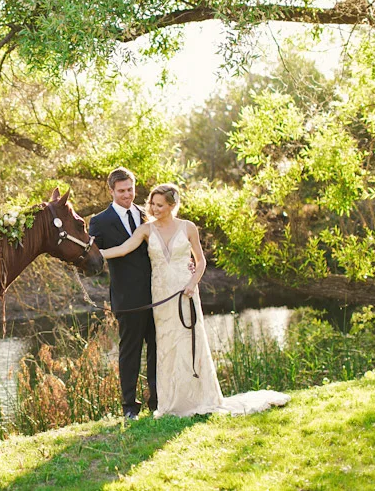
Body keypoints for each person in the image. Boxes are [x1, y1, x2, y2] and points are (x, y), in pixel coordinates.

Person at [100, 183, 290, 417]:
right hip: (161, 294)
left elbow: (200, 262)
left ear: (172, 205)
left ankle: (197, 397)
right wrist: (92, 252)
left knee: (189, 341)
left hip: (185, 292)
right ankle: (170, 400)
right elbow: (122, 249)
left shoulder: (188, 227)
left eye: (160, 205)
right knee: (166, 346)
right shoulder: (146, 230)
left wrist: (192, 283)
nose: (154, 209)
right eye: (152, 204)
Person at [89, 167, 157, 421]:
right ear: (111, 191)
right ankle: (129, 406)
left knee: (157, 349)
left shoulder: (147, 214)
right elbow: (91, 259)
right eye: (121, 191)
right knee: (130, 352)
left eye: (130, 189)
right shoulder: (100, 221)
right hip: (127, 299)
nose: (127, 195)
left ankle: (157, 401)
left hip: (157, 295)